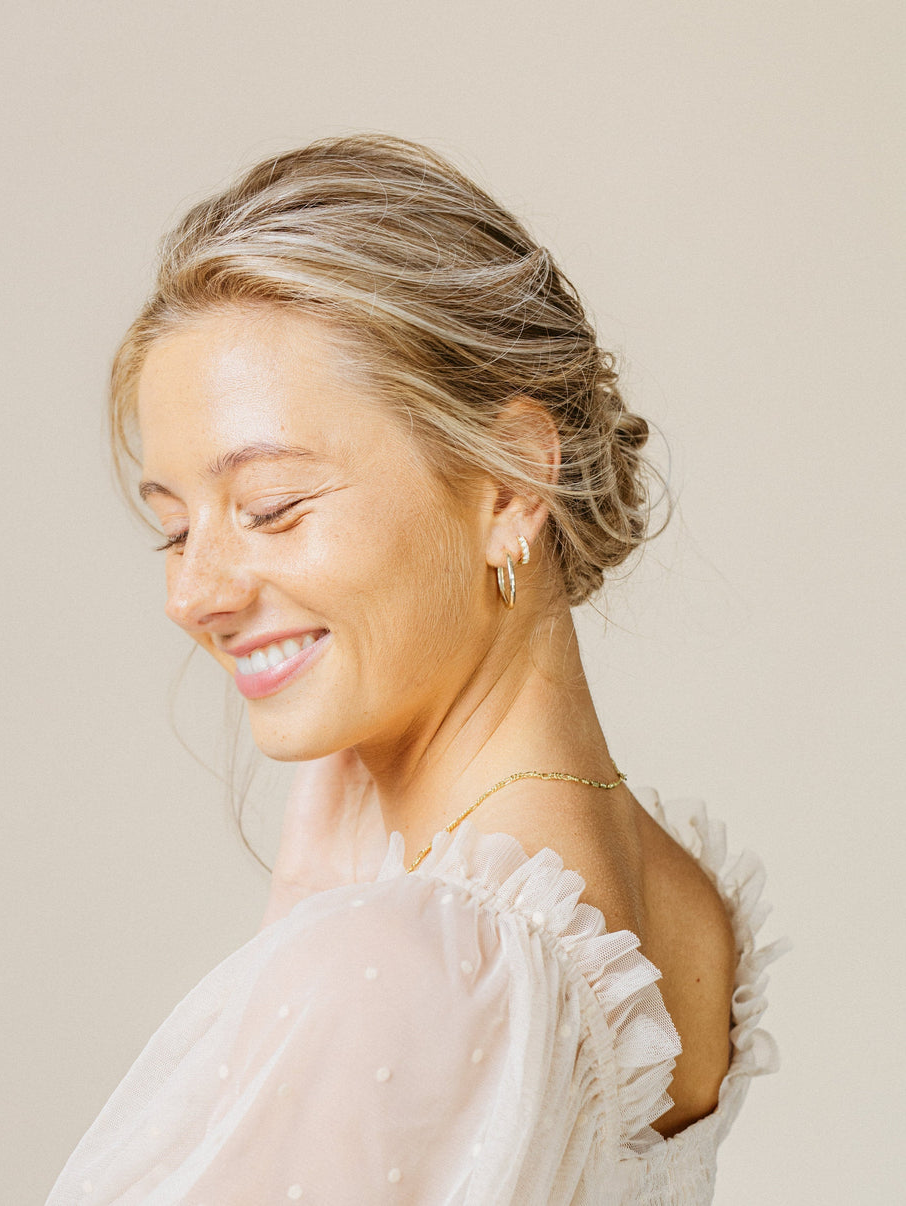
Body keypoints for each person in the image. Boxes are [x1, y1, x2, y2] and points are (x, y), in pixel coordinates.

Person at [47, 134, 787, 1205]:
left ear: (510, 484)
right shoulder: (681, 902)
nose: (192, 595)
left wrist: (314, 957)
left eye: (270, 508)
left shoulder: (398, 965)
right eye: (174, 529)